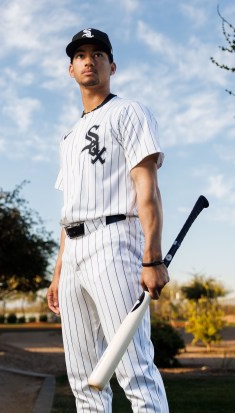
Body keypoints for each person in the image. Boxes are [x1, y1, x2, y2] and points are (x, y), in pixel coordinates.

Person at [47, 28, 169, 412]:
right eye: (80, 55)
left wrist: (152, 257)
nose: (89, 60)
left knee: (134, 369)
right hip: (75, 253)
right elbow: (70, 207)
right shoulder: (68, 137)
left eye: (97, 54)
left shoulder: (129, 111)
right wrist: (58, 270)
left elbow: (147, 188)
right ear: (71, 69)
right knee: (84, 378)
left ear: (111, 66)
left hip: (115, 240)